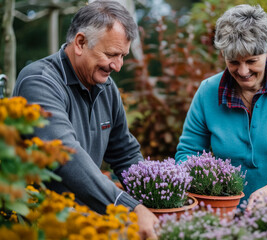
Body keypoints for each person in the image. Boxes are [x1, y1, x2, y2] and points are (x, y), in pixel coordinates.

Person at [12, 1, 158, 239]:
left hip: (90, 219)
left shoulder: (106, 87)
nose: (118, 66)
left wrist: (153, 197)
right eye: (111, 54)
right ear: (80, 43)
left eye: (122, 56)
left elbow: (124, 153)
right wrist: (130, 207)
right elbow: (65, 154)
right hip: (40, 222)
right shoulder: (39, 82)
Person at [175, 4, 267, 214]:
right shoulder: (208, 92)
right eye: (233, 61)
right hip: (226, 215)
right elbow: (187, 154)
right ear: (223, 54)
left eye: (252, 61)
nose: (243, 71)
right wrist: (209, 185)